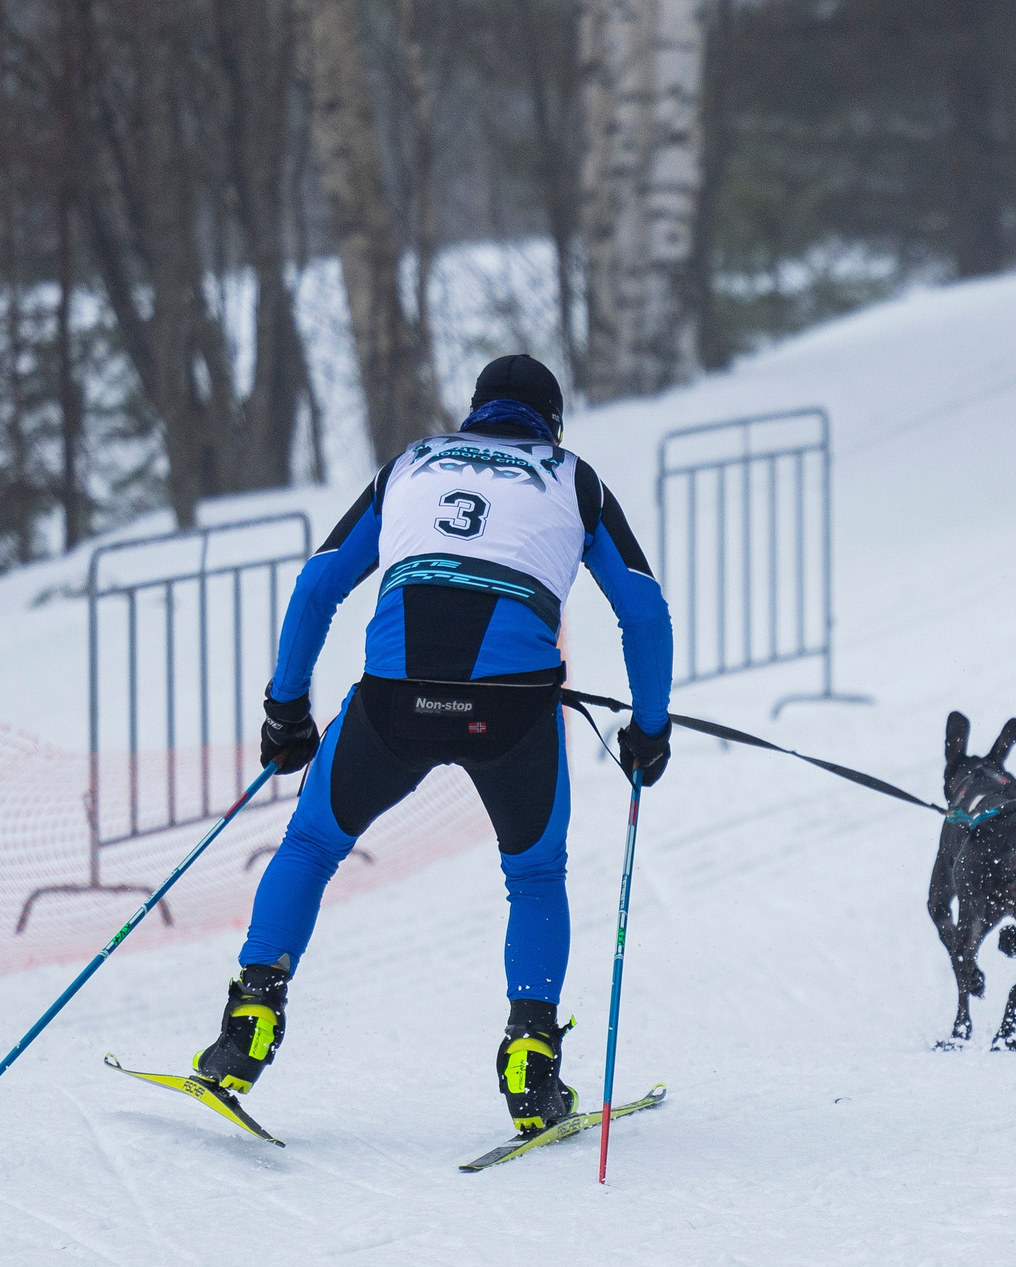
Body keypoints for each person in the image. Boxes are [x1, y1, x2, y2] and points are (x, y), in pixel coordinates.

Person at [192, 354, 673, 1134]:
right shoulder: (571, 476)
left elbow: (318, 585)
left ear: (475, 411)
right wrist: (650, 728)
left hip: (395, 704)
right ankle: (530, 1056)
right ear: (551, 423)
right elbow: (644, 612)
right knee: (535, 872)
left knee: (312, 844)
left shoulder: (412, 463)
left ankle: (251, 1014)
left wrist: (286, 709)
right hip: (514, 712)